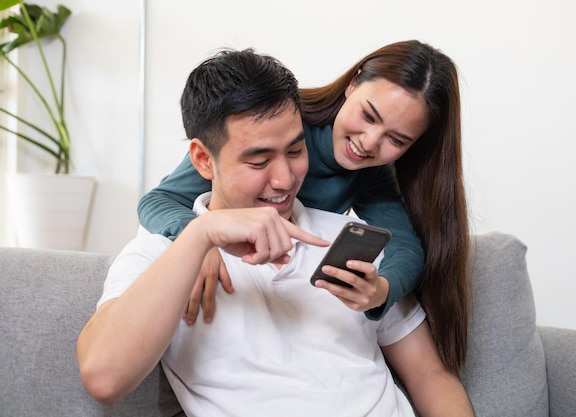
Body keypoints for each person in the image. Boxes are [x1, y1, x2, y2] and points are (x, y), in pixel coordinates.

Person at [77, 48, 474, 416]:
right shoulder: (163, 255)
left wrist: (382, 290)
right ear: (203, 160)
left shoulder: (353, 244)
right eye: (259, 160)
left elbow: (430, 375)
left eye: (296, 151)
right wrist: (200, 237)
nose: (284, 180)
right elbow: (104, 377)